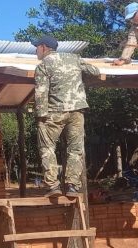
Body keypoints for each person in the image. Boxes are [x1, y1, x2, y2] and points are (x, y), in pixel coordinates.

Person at [32, 35, 100, 198]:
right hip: (77, 111)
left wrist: (40, 118)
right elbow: (95, 72)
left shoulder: (43, 65)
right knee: (75, 149)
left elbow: (41, 93)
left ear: (43, 47)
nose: (35, 51)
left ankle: (53, 186)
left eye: (36, 47)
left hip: (55, 112)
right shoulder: (74, 58)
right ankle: (72, 187)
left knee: (47, 147)